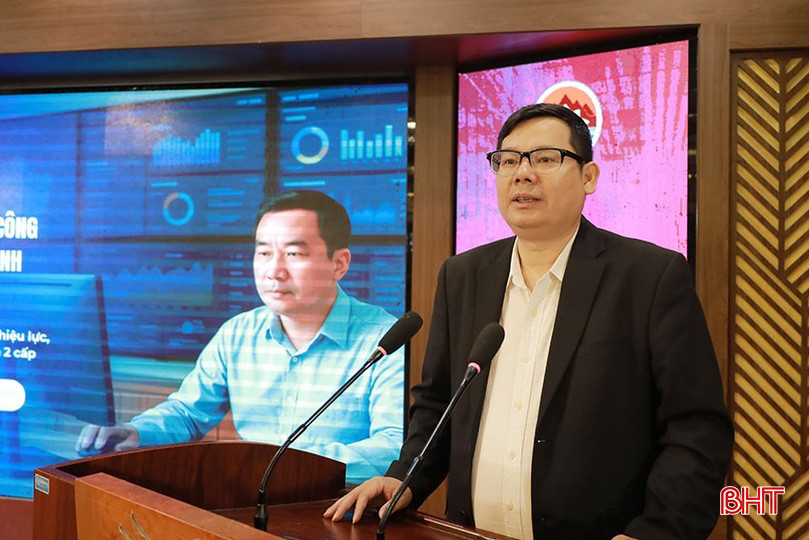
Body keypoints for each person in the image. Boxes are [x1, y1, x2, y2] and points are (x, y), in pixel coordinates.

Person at [325, 103, 734, 539]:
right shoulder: (463, 275)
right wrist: (404, 477)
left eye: (545, 158)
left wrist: (657, 531)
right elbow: (439, 402)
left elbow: (695, 427)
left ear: (588, 176)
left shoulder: (649, 276)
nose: (522, 173)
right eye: (508, 160)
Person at [76, 190, 405, 485]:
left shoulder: (385, 342)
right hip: (246, 504)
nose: (274, 271)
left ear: (339, 264)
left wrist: (287, 465)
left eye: (293, 254)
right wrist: (137, 433)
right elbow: (188, 413)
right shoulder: (238, 334)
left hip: (336, 511)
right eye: (264, 253)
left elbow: (393, 446)